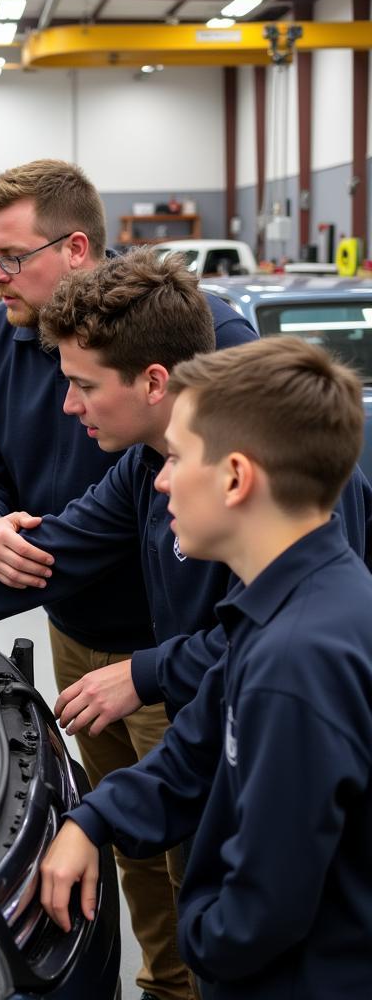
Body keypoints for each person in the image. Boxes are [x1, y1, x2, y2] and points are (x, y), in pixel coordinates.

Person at [0, 252, 371, 999]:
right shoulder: (230, 570)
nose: (68, 406)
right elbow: (45, 557)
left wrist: (205, 937)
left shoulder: (296, 658)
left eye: (82, 385)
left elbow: (273, 892)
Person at [0, 161, 255, 1000]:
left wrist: (155, 669)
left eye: (10, 258)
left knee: (196, 846)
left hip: (175, 647)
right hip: (76, 632)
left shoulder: (207, 348)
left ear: (74, 248)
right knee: (130, 850)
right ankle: (164, 983)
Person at [39, 336, 372, 999]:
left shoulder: (296, 663)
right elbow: (190, 756)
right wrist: (91, 820)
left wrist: (198, 933)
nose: (160, 478)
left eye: (178, 457)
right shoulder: (278, 604)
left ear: (236, 477)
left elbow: (264, 906)